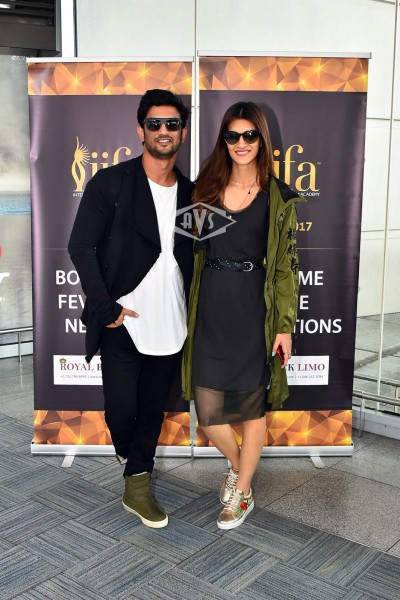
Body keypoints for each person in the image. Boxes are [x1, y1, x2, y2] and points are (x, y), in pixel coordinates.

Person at [68, 89, 194, 529]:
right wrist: (106, 310)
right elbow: (80, 246)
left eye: (172, 124)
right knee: (122, 410)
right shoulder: (111, 183)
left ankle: (138, 482)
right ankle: (131, 454)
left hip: (172, 322)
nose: (163, 131)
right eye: (155, 124)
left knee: (152, 410)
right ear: (141, 130)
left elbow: (200, 257)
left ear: (182, 132)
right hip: (121, 321)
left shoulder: (193, 194)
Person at [182, 101, 302, 530]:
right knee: (208, 412)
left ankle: (243, 492)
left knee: (252, 409)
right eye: (232, 135)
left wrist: (284, 327)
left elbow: (285, 268)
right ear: (224, 141)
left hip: (255, 309)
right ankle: (239, 466)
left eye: (249, 135)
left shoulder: (277, 197)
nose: (241, 143)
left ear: (261, 140)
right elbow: (187, 253)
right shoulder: (207, 189)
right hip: (211, 306)